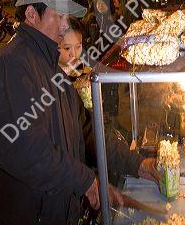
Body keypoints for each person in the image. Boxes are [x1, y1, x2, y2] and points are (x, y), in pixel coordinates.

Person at [0, 0, 158, 225]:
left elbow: (88, 131)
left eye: (66, 18)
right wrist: (84, 180)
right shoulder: (10, 64)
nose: (64, 26)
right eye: (58, 17)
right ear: (31, 14)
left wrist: (136, 163)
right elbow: (26, 148)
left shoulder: (54, 70)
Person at [58, 17, 160, 187]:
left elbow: (92, 127)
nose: (74, 54)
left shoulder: (85, 71)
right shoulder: (54, 84)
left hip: (94, 141)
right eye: (67, 48)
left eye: (79, 46)